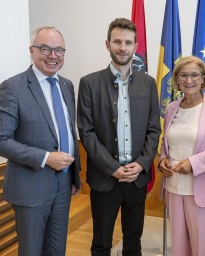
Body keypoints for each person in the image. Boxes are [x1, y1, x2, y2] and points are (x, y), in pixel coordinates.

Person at [0, 26, 81, 255]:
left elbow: (66, 130)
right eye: (45, 49)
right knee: (31, 251)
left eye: (59, 50)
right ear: (32, 51)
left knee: (57, 249)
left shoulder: (66, 85)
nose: (53, 56)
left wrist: (73, 176)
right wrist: (46, 158)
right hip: (30, 186)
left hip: (63, 184)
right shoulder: (12, 87)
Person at [77, 18, 160, 256]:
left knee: (133, 240)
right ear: (107, 44)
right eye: (117, 42)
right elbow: (87, 131)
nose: (122, 47)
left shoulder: (148, 83)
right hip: (105, 178)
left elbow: (154, 129)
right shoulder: (89, 83)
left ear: (135, 47)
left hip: (136, 178)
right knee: (101, 242)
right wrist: (112, 167)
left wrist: (142, 164)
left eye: (128, 42)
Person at [158, 56, 205, 256]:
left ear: (203, 79)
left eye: (194, 75)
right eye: (183, 75)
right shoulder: (172, 107)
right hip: (173, 188)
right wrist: (163, 159)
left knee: (202, 249)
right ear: (176, 79)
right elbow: (167, 142)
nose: (189, 80)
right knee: (179, 249)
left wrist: (193, 162)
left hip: (202, 190)